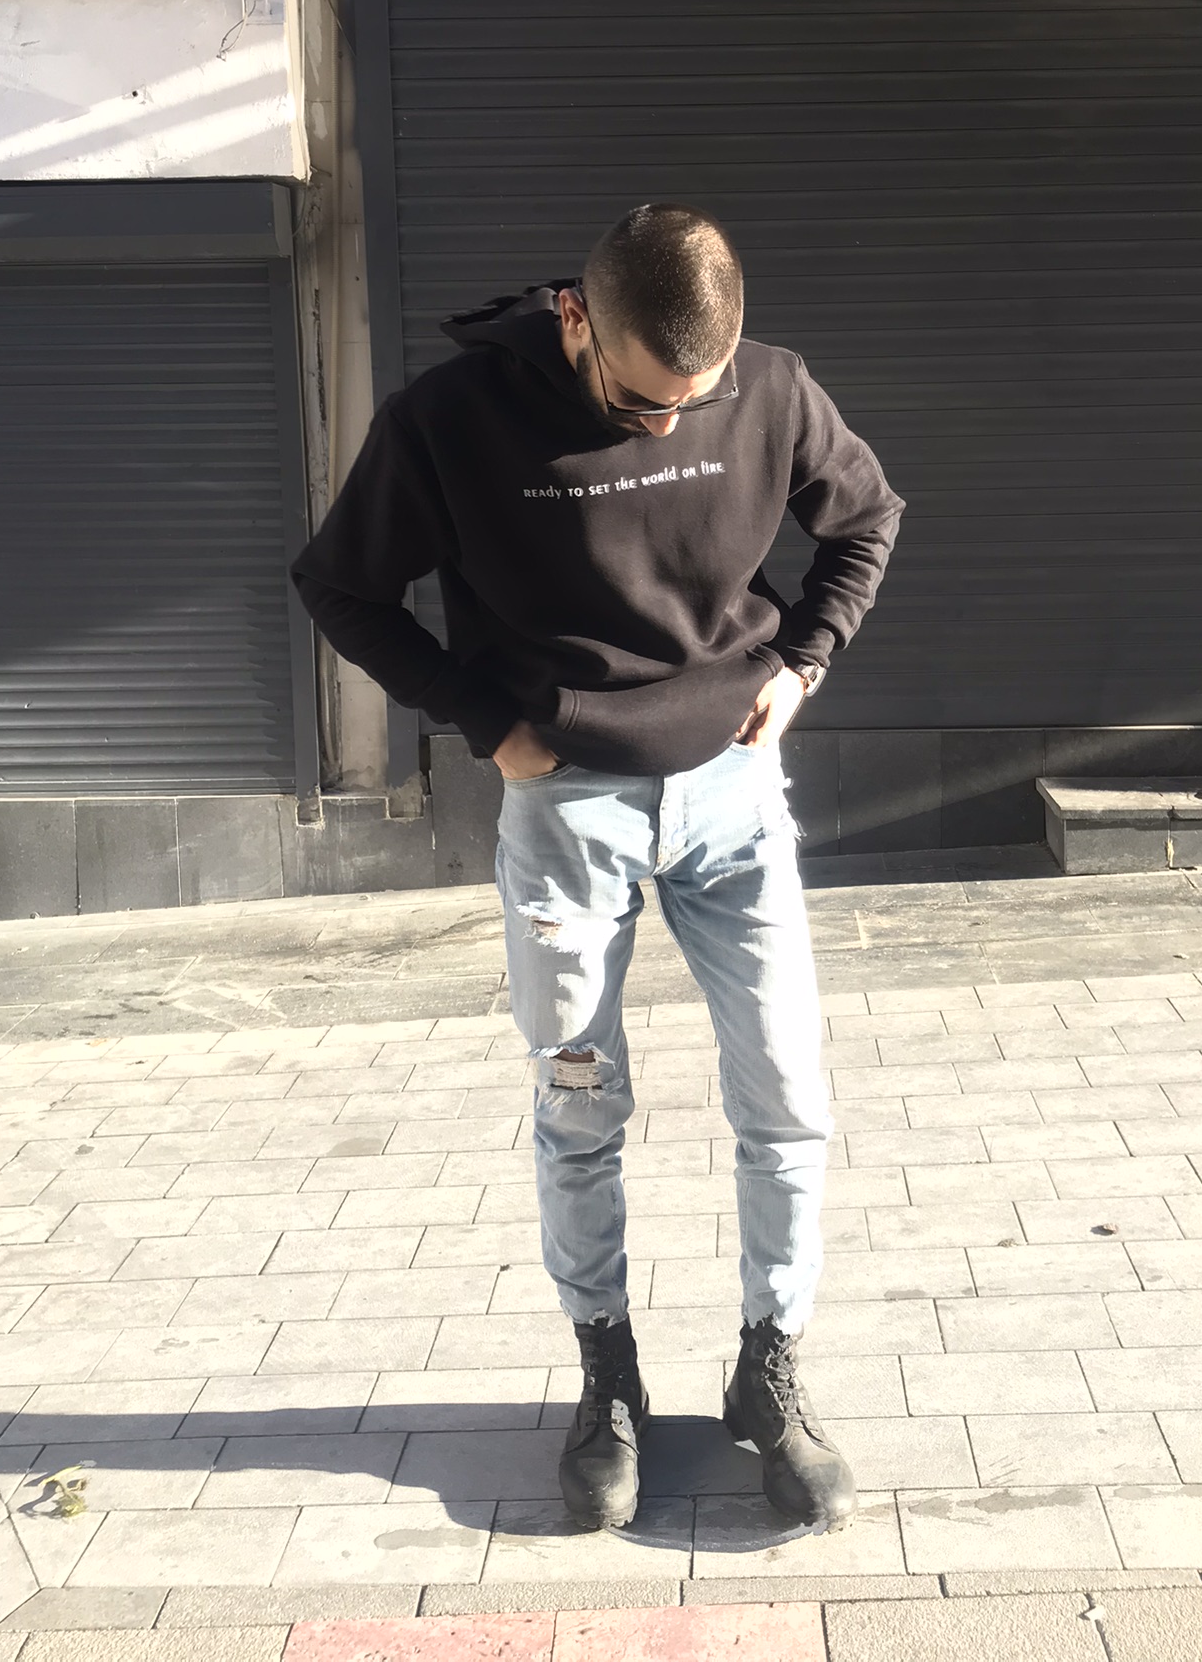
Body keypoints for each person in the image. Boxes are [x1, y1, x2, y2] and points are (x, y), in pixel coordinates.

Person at [293, 203, 903, 1534]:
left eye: (693, 400)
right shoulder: (450, 421)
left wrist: (804, 664)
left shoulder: (772, 389)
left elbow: (866, 519)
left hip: (735, 803)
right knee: (579, 1102)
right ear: (576, 318)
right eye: (636, 404)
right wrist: (481, 718)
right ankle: (606, 1374)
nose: (664, 424)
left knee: (788, 1096)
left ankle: (769, 1367)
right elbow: (340, 586)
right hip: (568, 819)